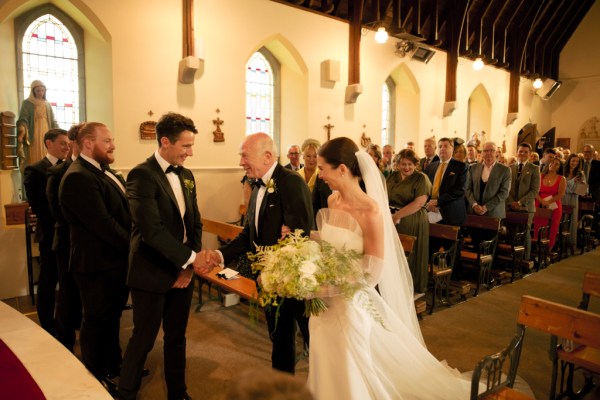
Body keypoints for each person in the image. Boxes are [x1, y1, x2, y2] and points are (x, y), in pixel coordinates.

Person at [308, 137, 472, 399]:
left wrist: (334, 287)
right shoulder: (332, 201)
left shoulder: (370, 210)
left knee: (350, 368)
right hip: (321, 300)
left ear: (341, 169)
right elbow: (332, 246)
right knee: (324, 362)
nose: (320, 174)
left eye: (322, 168)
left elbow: (373, 269)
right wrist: (307, 254)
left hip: (350, 304)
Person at [199, 133, 314, 374]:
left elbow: (300, 237)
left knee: (310, 336)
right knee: (279, 336)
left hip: (291, 278)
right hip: (267, 277)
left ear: (268, 156)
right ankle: (282, 385)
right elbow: (247, 234)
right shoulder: (256, 185)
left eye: (244, 156)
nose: (241, 162)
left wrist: (276, 271)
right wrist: (219, 256)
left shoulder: (291, 182)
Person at [119, 113, 206, 400]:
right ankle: (126, 393)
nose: (190, 152)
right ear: (165, 141)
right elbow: (151, 231)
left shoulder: (187, 175)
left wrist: (188, 267)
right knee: (143, 339)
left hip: (182, 269)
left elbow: (194, 222)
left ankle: (178, 393)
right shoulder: (142, 175)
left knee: (176, 339)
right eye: (186, 146)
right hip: (150, 271)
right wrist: (192, 259)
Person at [59, 122, 131, 394]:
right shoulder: (79, 176)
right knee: (95, 321)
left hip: (113, 261)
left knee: (112, 319)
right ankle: (94, 374)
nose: (113, 145)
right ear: (88, 143)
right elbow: (104, 225)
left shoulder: (102, 171)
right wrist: (134, 246)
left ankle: (114, 364)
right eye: (107, 141)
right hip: (96, 264)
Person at [23, 128, 69, 336]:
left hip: (68, 234)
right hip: (50, 233)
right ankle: (47, 324)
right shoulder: (35, 169)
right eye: (62, 143)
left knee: (67, 280)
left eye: (68, 144)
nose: (66, 147)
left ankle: (66, 320)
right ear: (48, 144)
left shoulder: (69, 167)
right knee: (49, 279)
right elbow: (40, 207)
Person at [45, 124, 83, 351]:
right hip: (68, 243)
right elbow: (56, 212)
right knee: (67, 295)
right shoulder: (57, 173)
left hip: (90, 247)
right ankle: (65, 344)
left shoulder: (100, 170)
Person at [387, 149, 431, 294]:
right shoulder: (392, 176)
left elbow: (419, 203)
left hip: (412, 219)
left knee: (410, 253)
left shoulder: (421, 178)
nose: (406, 168)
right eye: (403, 164)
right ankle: (394, 286)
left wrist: (397, 216)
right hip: (392, 218)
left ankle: (411, 285)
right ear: (398, 164)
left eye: (410, 164)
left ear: (415, 164)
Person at [506, 143, 541, 261]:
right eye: (521, 151)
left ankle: (525, 259)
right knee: (511, 232)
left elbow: (534, 190)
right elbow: (505, 188)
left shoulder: (534, 169)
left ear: (530, 154)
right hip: (510, 206)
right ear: (517, 152)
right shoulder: (510, 168)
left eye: (526, 152)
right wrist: (511, 202)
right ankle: (510, 258)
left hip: (526, 207)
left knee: (525, 232)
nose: (523, 154)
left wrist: (520, 202)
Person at [424, 137, 468, 226]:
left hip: (450, 213)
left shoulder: (461, 167)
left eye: (446, 146)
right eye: (440, 146)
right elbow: (426, 188)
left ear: (452, 149)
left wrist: (438, 201)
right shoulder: (430, 167)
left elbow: (459, 190)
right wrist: (428, 203)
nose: (442, 149)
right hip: (431, 210)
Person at [17, 80, 60, 165]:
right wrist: (22, 128)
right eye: (38, 90)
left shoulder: (47, 104)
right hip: (34, 132)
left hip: (46, 130)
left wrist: (60, 131)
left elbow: (53, 120)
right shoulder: (27, 103)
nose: (40, 93)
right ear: (33, 91)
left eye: (42, 90)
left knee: (46, 148)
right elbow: (23, 119)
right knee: (34, 152)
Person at [466, 142, 511, 219]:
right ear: (482, 153)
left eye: (492, 150)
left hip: (494, 214)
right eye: (485, 151)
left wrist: (486, 207)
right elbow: (468, 189)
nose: (488, 153)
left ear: (496, 153)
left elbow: (504, 192)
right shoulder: (473, 168)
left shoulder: (505, 170)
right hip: (473, 213)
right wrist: (474, 205)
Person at [534, 158, 566, 250]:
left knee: (553, 227)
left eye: (556, 164)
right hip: (539, 204)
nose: (553, 164)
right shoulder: (540, 176)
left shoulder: (561, 178)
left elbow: (561, 194)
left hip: (554, 205)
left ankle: (548, 249)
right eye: (552, 162)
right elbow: (534, 191)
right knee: (539, 227)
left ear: (559, 168)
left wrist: (548, 202)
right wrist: (542, 201)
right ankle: (538, 249)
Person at [563, 153, 585, 250]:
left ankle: (570, 243)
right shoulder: (563, 171)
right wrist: (572, 182)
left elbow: (582, 192)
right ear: (569, 161)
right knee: (562, 220)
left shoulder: (580, 174)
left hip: (574, 199)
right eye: (573, 161)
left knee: (572, 221)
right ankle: (560, 242)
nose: (574, 163)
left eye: (577, 161)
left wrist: (581, 184)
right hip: (563, 198)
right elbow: (563, 187)